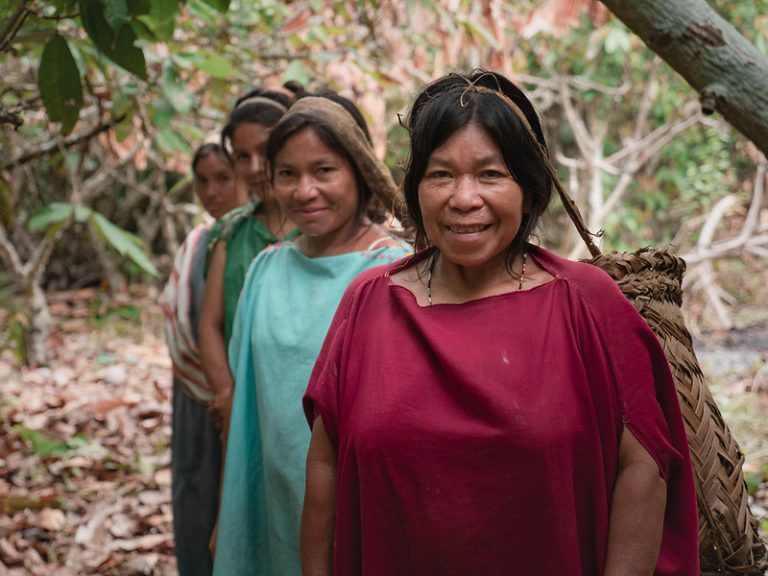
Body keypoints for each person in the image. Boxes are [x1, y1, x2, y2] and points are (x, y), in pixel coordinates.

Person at [301, 71, 700, 576]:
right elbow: (325, 466)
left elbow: (644, 469)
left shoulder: (587, 303)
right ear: (416, 190)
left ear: (530, 192)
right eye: (441, 174)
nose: (464, 198)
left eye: (490, 174)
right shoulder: (368, 303)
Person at [212, 92, 412, 576]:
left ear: (358, 171)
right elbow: (242, 406)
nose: (305, 191)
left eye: (324, 171)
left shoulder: (393, 272)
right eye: (288, 174)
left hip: (359, 508)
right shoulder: (264, 270)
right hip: (272, 500)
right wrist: (228, 510)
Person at [160, 142, 248, 576]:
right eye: (203, 181)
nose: (212, 191)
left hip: (245, 397)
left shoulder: (253, 241)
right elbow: (183, 321)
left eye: (223, 178)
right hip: (198, 395)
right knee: (198, 492)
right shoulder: (197, 243)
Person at [198, 88, 299, 438]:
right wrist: (228, 393)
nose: (255, 167)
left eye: (264, 150)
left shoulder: (320, 229)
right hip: (242, 406)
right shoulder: (230, 232)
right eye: (242, 156)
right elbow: (210, 325)